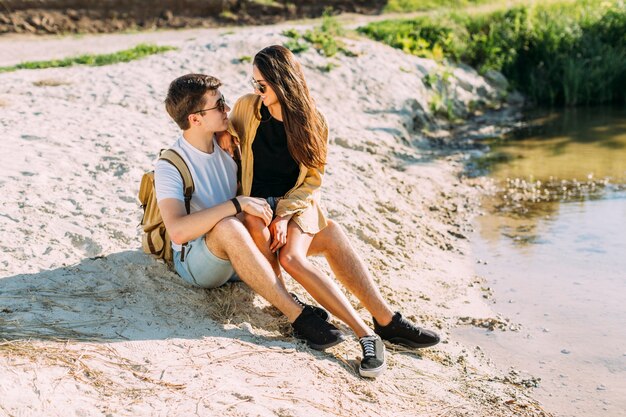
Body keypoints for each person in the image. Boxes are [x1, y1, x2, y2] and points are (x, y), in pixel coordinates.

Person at [224, 45, 441, 378]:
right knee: (286, 230)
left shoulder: (313, 120)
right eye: (254, 83)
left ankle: (378, 328)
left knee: (293, 257)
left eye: (262, 85)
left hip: (295, 205)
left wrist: (283, 214)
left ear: (282, 83)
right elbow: (226, 130)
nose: (256, 90)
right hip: (257, 207)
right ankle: (376, 329)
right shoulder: (248, 108)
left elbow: (313, 179)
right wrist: (223, 137)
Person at [155, 73, 346, 354]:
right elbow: (178, 231)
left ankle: (380, 322)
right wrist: (237, 204)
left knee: (324, 228)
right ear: (195, 119)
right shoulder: (171, 164)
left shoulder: (229, 146)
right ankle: (297, 314)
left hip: (242, 253)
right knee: (230, 225)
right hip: (198, 261)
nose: (227, 109)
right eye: (219, 106)